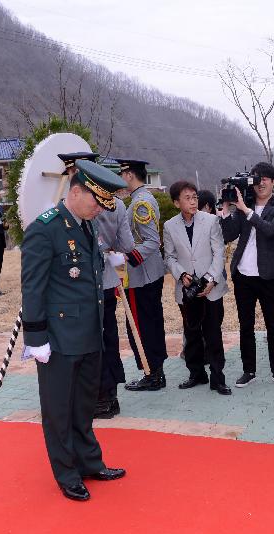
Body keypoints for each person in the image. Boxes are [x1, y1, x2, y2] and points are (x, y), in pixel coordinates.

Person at [20, 159, 127, 501]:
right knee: (59, 410)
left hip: (89, 334)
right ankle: (66, 473)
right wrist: (36, 340)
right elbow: (33, 289)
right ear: (77, 191)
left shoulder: (87, 225)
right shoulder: (45, 229)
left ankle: (89, 462)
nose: (100, 210)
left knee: (83, 406)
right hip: (59, 340)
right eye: (97, 202)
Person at [219, 161, 274, 388]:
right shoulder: (242, 208)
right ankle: (248, 370)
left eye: (265, 180)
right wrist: (226, 210)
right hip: (243, 275)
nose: (260, 185)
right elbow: (229, 235)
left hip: (269, 275)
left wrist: (246, 211)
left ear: (273, 182)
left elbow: (271, 231)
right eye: (257, 181)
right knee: (245, 325)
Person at [163, 181, 231, 395]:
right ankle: (196, 373)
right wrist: (181, 274)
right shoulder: (169, 226)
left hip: (210, 287)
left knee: (213, 333)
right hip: (187, 289)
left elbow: (219, 252)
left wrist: (211, 278)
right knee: (191, 333)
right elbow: (170, 257)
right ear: (176, 203)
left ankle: (218, 377)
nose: (193, 202)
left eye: (195, 197)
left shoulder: (211, 221)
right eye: (187, 198)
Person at [117, 159, 169, 393]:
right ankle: (154, 371)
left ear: (129, 175)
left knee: (142, 325)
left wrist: (128, 257)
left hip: (142, 275)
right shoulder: (140, 199)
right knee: (149, 323)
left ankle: (152, 373)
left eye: (122, 173)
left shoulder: (141, 203)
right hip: (147, 274)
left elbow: (151, 241)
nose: (120, 177)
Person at [93, 194, 135, 419]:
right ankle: (110, 396)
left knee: (93, 341)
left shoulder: (67, 199)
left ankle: (100, 397)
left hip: (85, 283)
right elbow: (127, 244)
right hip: (108, 280)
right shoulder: (116, 203)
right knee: (109, 338)